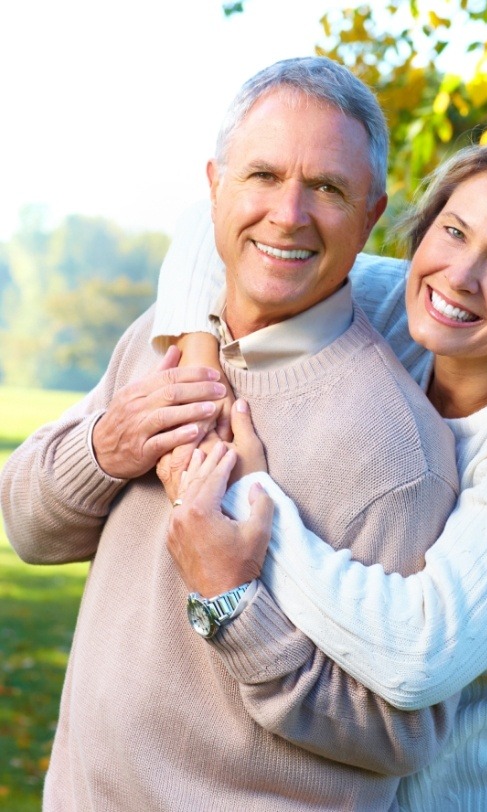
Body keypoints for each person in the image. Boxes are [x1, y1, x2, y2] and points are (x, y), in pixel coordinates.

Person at [0, 57, 463, 811]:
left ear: (372, 214)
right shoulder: (161, 338)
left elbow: (400, 735)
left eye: (327, 188)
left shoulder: (396, 453)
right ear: (215, 186)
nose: (288, 214)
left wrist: (233, 604)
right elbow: (27, 528)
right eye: (263, 176)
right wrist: (104, 449)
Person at [153, 124, 487, 810]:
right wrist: (203, 372)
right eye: (453, 232)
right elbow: (205, 227)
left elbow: (416, 655)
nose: (461, 276)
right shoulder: (398, 311)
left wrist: (250, 499)